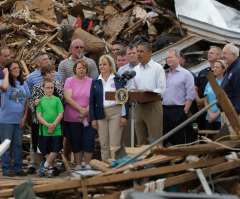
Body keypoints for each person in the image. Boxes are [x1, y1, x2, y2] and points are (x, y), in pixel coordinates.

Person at [26, 52, 62, 174]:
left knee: (54, 144)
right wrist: (34, 104)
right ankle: (41, 166)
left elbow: (62, 102)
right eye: (50, 72)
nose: (53, 74)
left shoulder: (58, 84)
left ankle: (51, 166)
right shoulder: (36, 86)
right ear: (44, 74)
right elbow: (30, 103)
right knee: (39, 145)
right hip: (39, 121)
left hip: (55, 121)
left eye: (53, 72)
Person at [89, 54, 129, 161]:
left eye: (104, 64)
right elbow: (91, 102)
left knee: (114, 145)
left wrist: (124, 115)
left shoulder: (118, 79)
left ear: (110, 65)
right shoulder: (95, 81)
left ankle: (114, 169)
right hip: (100, 113)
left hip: (116, 112)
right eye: (100, 65)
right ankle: (105, 167)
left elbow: (124, 98)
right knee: (104, 145)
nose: (101, 67)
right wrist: (93, 118)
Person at [130, 42, 166, 145]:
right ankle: (144, 161)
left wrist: (148, 92)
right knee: (142, 141)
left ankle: (155, 161)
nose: (138, 54)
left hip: (153, 107)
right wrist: (135, 92)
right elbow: (133, 88)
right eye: (137, 51)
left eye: (142, 51)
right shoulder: (135, 69)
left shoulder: (157, 68)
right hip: (139, 108)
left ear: (150, 53)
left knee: (154, 140)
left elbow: (162, 90)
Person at [0, 60, 30, 177]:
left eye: (18, 68)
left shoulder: (23, 83)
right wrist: (6, 74)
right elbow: (4, 88)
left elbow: (27, 100)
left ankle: (18, 168)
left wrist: (25, 116)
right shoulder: (3, 81)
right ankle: (6, 169)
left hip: (19, 120)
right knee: (6, 144)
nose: (17, 70)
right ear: (8, 70)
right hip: (6, 120)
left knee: (18, 144)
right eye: (14, 68)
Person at [63, 59, 95, 169]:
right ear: (75, 69)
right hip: (73, 117)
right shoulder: (69, 80)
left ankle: (87, 164)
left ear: (86, 69)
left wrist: (86, 110)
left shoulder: (92, 81)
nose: (81, 70)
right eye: (79, 68)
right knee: (76, 141)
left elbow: (94, 98)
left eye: (83, 68)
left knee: (88, 140)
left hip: (89, 117)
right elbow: (68, 98)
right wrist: (81, 110)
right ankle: (77, 164)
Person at [162, 49, 195, 146]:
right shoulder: (164, 74)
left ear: (178, 58)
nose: (168, 60)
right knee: (165, 139)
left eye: (171, 57)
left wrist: (185, 110)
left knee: (179, 139)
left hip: (179, 110)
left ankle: (180, 161)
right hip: (165, 110)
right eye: (167, 58)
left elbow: (190, 94)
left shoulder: (186, 74)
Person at [36, 78, 64, 177]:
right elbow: (39, 116)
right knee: (47, 150)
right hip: (44, 130)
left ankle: (45, 166)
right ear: (43, 88)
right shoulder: (40, 101)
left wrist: (53, 125)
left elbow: (60, 114)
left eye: (52, 88)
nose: (50, 90)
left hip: (56, 129)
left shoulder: (57, 100)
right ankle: (50, 169)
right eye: (47, 88)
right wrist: (48, 125)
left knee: (56, 148)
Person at [195, 46, 221, 129]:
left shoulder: (223, 73)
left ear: (219, 56)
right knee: (202, 133)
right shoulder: (203, 72)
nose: (209, 54)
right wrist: (198, 100)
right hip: (201, 109)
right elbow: (195, 87)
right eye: (208, 53)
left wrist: (204, 100)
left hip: (215, 110)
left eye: (212, 53)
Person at [204, 60, 226, 138]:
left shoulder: (226, 83)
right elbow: (205, 100)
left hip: (221, 118)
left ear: (223, 70)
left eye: (217, 67)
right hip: (209, 117)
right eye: (214, 67)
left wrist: (215, 115)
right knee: (208, 141)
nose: (214, 69)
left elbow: (227, 102)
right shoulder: (210, 82)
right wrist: (210, 113)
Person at [220, 43, 240, 132]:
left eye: (225, 53)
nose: (222, 56)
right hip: (226, 112)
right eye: (222, 53)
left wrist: (237, 113)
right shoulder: (230, 69)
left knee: (232, 143)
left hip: (233, 114)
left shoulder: (238, 69)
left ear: (234, 55)